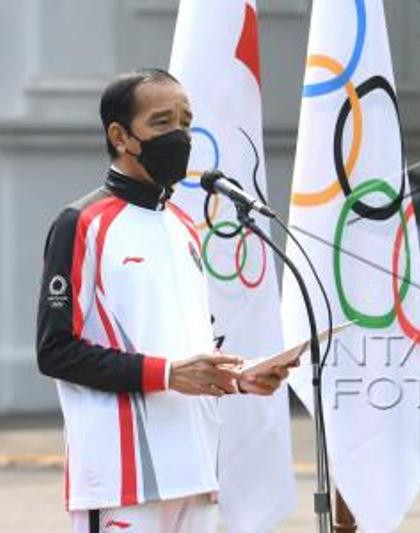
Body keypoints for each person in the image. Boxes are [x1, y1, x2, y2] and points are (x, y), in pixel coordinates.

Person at [36, 69, 290, 533]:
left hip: (196, 473)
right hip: (120, 480)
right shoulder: (81, 223)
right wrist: (169, 374)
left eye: (186, 122)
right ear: (120, 136)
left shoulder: (182, 226)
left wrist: (238, 379)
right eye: (162, 122)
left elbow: (184, 348)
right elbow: (55, 351)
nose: (180, 136)